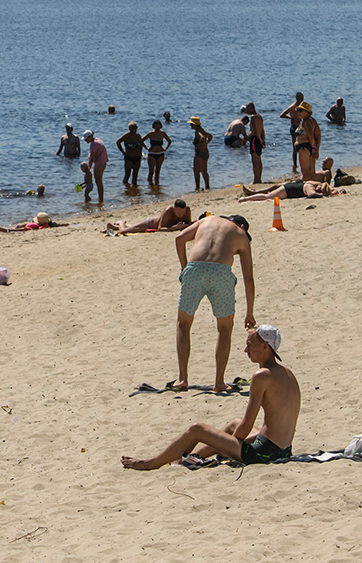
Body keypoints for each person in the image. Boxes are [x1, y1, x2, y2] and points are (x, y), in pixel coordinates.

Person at [122, 325, 302, 470]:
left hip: (263, 454)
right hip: (283, 450)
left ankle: (151, 464)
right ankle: (192, 457)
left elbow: (247, 426)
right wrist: (225, 443)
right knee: (234, 423)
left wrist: (228, 445)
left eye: (250, 344)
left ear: (265, 347)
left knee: (197, 429)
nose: (245, 349)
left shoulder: (261, 376)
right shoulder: (287, 373)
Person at [171, 212, 257, 393]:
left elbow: (179, 239)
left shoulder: (206, 220)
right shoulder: (241, 235)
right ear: (242, 227)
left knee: (183, 324)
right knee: (224, 328)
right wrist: (250, 313)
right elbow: (249, 279)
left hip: (195, 269)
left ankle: (182, 378)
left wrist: (184, 267)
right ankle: (219, 382)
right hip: (221, 273)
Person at [106, 200, 194, 235]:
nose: (181, 215)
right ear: (174, 209)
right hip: (150, 224)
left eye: (183, 213)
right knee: (123, 231)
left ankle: (113, 227)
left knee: (134, 227)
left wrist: (183, 226)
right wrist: (176, 228)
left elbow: (189, 223)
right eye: (179, 213)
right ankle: (121, 223)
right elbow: (160, 228)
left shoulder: (187, 210)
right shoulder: (168, 210)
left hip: (154, 224)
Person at [80, 130, 108, 204]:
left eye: (86, 139)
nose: (85, 140)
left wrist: (88, 168)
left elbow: (92, 158)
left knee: (99, 183)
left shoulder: (93, 144)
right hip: (103, 163)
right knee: (99, 183)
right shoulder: (98, 140)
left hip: (99, 165)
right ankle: (100, 199)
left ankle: (100, 200)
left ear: (90, 137)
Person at [242, 103, 268, 185]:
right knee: (258, 159)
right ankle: (258, 178)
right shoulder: (259, 116)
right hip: (259, 138)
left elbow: (256, 130)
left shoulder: (253, 117)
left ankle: (256, 179)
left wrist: (260, 140)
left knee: (255, 160)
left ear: (252, 108)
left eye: (247, 109)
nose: (246, 110)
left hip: (255, 139)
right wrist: (263, 139)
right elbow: (262, 129)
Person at [116, 122, 146, 190]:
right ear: (129, 128)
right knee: (127, 174)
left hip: (137, 157)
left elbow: (141, 143)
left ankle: (135, 190)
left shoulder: (138, 135)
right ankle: (126, 190)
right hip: (129, 158)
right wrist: (123, 152)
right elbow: (118, 142)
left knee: (135, 175)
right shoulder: (127, 135)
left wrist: (142, 150)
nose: (134, 129)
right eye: (132, 128)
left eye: (135, 128)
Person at [144, 119, 170, 189]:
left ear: (160, 126)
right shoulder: (150, 133)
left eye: (158, 125)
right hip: (152, 153)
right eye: (156, 125)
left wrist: (165, 149)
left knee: (158, 171)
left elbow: (169, 141)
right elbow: (141, 140)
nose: (157, 127)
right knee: (151, 171)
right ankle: (150, 186)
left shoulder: (163, 133)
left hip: (160, 154)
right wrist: (146, 148)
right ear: (154, 126)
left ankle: (157, 186)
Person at [188, 116, 212, 190]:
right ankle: (207, 186)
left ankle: (197, 187)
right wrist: (206, 144)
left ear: (195, 125)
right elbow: (210, 136)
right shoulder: (202, 130)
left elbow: (202, 138)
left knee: (196, 170)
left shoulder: (198, 131)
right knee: (204, 171)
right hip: (205, 152)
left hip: (199, 153)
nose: (190, 125)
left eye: (192, 124)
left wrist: (199, 146)